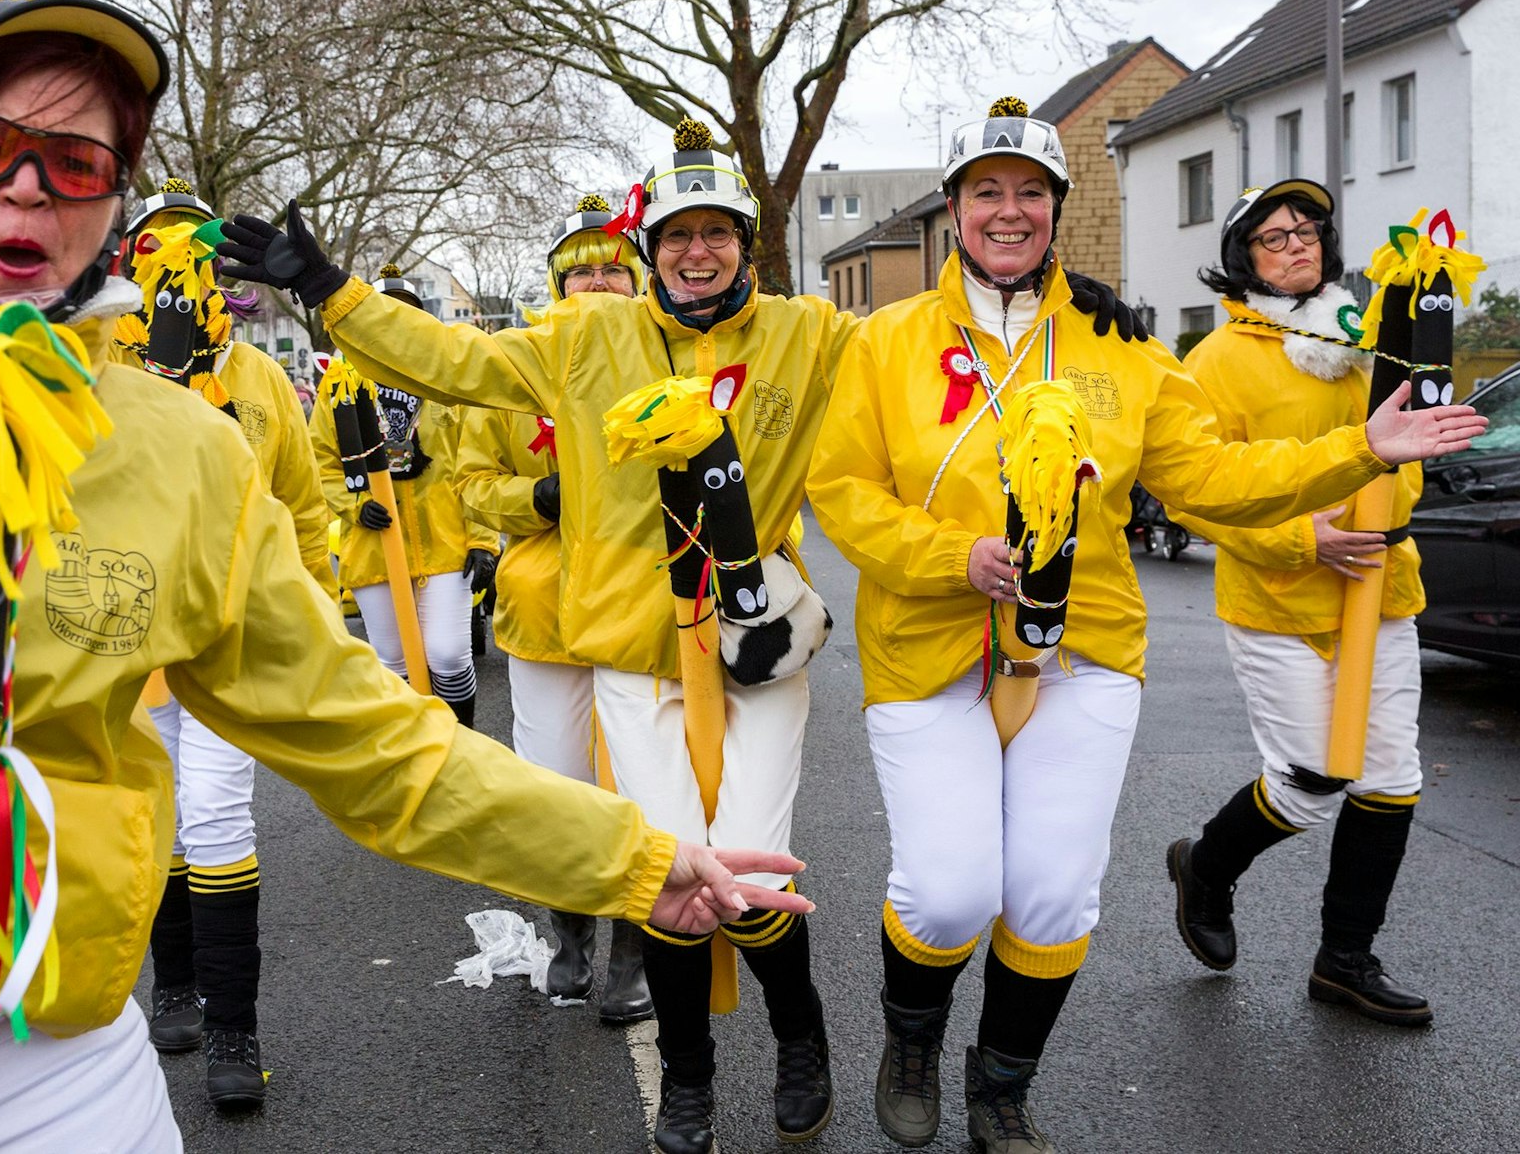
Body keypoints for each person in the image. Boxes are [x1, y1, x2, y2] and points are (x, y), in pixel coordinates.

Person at [0, 0, 811, 1153]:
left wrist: (634, 856)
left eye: (77, 161)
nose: (29, 189)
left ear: (116, 201)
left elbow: (372, 743)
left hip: (37, 1045)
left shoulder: (183, 452)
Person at [216, 113, 1145, 1152]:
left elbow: (923, 346)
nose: (694, 253)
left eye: (715, 233)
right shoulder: (583, 336)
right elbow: (449, 358)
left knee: (754, 871)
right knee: (665, 870)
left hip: (759, 643)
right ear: (646, 249)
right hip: (631, 646)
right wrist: (334, 294)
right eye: (674, 236)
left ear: (745, 242)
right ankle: (692, 1079)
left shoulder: (810, 332)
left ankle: (802, 1038)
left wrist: (1066, 302)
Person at [804, 101, 1484, 1153]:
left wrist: (1360, 446)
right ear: (950, 210)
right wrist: (954, 557)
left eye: (1029, 191)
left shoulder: (1117, 344)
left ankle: (1001, 1086)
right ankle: (911, 1042)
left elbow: (1209, 474)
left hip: (1085, 646)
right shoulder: (883, 341)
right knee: (946, 890)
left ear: (1055, 211)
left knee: (1050, 892)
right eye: (984, 189)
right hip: (929, 642)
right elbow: (839, 485)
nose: (1007, 209)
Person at [1164, 180, 1434, 1026]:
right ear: (1243, 256)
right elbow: (1190, 495)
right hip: (1278, 598)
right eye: (1274, 237)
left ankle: (1344, 960)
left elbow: (1409, 448)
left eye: (1307, 232)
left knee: (1391, 777)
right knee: (1315, 780)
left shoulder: (1368, 343)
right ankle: (1206, 867)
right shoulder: (1214, 362)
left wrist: (1387, 514)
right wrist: (1297, 540)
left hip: (1381, 590)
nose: (1296, 247)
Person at [114, 177, 337, 1106]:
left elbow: (303, 502)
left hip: (229, 627)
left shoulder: (256, 380)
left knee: (216, 812)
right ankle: (173, 983)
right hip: (125, 637)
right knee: (157, 813)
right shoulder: (95, 362)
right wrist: (158, 377)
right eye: (159, 252)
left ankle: (235, 1032)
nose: (182, 267)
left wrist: (320, 610)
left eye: (197, 251)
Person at [454, 193, 654, 1022]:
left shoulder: (665, 355)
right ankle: (571, 939)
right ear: (558, 286)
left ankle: (638, 956)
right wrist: (538, 495)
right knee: (559, 786)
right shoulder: (511, 366)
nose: (600, 282)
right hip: (544, 614)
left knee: (642, 784)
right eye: (583, 272)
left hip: (645, 613)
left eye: (614, 267)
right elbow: (470, 485)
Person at [310, 263, 497, 727]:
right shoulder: (338, 385)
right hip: (374, 546)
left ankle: (462, 748)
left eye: (404, 313)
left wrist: (482, 540)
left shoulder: (446, 381)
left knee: (448, 655)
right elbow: (320, 459)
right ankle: (414, 759)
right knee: (392, 665)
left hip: (445, 544)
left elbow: (478, 461)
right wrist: (355, 506)